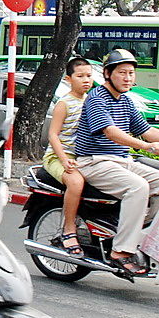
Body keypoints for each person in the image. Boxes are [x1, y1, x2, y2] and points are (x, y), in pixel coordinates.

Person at [74, 49, 159, 276]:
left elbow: (147, 130)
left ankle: (136, 233)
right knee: (138, 187)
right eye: (122, 72)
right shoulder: (97, 98)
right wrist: (145, 147)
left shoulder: (125, 100)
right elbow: (110, 132)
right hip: (94, 162)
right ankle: (120, 252)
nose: (128, 78)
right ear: (107, 73)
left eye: (131, 73)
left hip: (121, 160)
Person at [42, 57, 93, 257]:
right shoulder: (64, 103)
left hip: (84, 157)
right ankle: (69, 230)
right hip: (57, 157)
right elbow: (53, 135)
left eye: (89, 76)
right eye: (80, 76)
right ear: (68, 79)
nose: (85, 80)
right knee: (76, 183)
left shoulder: (92, 101)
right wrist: (63, 160)